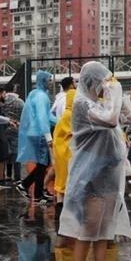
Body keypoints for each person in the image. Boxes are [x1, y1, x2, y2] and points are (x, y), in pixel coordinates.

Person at [59, 63, 131, 261]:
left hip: (108, 177)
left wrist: (123, 97)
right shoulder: (82, 104)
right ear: (93, 81)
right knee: (88, 230)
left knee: (104, 231)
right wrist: (115, 92)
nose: (106, 87)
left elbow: (130, 117)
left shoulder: (102, 103)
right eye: (103, 82)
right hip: (88, 177)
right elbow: (112, 121)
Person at [16, 70, 54, 203]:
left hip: (34, 132)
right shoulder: (41, 97)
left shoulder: (36, 94)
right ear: (43, 80)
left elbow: (47, 116)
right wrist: (48, 136)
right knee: (43, 163)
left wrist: (61, 121)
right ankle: (36, 193)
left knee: (43, 163)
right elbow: (43, 117)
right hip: (39, 133)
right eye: (49, 79)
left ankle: (27, 187)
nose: (51, 82)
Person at [51, 85, 78, 215]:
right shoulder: (71, 114)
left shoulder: (65, 113)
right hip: (68, 151)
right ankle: (64, 208)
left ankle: (59, 205)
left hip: (60, 150)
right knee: (67, 179)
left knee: (60, 179)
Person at [0, 88, 23, 185]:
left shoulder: (2, 103)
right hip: (16, 128)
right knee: (16, 153)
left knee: (7, 152)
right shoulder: (20, 102)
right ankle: (17, 177)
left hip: (5, 128)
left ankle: (8, 175)